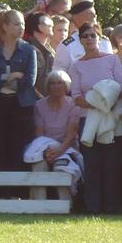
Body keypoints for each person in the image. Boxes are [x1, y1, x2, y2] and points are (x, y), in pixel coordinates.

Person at [69, 24, 122, 213]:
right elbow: (76, 96)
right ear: (80, 40)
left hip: (111, 119)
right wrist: (98, 103)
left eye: (92, 35)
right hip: (88, 121)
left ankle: (112, 207)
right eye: (85, 36)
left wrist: (107, 100)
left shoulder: (112, 60)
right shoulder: (77, 65)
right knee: (92, 165)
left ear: (99, 38)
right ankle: (93, 207)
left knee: (111, 164)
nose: (89, 39)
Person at [0, 9, 38, 187]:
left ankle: (17, 192)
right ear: (5, 26)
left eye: (22, 23)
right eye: (16, 24)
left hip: (21, 106)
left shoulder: (29, 50)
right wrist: (9, 77)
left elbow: (28, 81)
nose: (21, 27)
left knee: (18, 147)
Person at [29, 69, 77, 202]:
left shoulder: (73, 105)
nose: (56, 86)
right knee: (38, 165)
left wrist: (59, 151)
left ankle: (66, 204)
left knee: (61, 167)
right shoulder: (39, 105)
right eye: (52, 83)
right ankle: (39, 205)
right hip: (44, 148)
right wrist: (46, 152)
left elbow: (72, 134)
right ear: (48, 86)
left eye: (60, 83)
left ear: (66, 85)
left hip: (66, 148)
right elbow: (39, 133)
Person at [25, 12, 57, 96]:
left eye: (51, 22)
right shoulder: (30, 50)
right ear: (36, 26)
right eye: (47, 23)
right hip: (36, 101)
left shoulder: (50, 49)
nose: (51, 25)